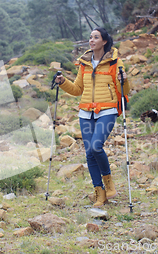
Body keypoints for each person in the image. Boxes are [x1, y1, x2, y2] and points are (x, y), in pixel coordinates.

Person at [54, 27, 129, 207]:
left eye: (96, 37)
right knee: (89, 153)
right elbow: (78, 90)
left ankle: (108, 181)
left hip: (107, 110)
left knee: (96, 147)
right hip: (86, 112)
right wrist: (63, 82)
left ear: (104, 41)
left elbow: (124, 91)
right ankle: (99, 193)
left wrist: (125, 80)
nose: (91, 40)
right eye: (90, 37)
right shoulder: (85, 63)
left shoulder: (115, 63)